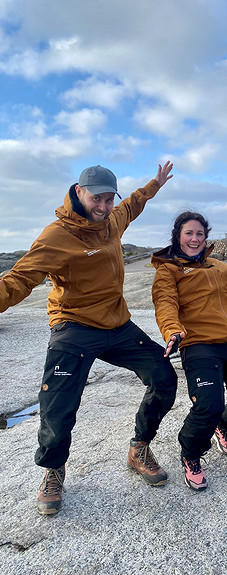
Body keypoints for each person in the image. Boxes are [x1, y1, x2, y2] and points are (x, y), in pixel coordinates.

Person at [0, 162, 178, 515]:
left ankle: (139, 447)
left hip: (116, 323)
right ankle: (54, 470)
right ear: (79, 192)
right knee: (58, 404)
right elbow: (18, 279)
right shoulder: (56, 236)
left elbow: (133, 204)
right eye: (98, 198)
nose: (105, 205)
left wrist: (154, 184)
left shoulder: (112, 219)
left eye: (109, 198)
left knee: (164, 376)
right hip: (75, 325)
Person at [151, 212, 227, 491]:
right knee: (208, 406)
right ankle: (191, 453)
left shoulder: (217, 266)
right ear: (178, 236)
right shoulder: (169, 269)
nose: (195, 239)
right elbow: (165, 303)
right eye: (189, 233)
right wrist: (172, 330)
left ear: (206, 237)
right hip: (198, 344)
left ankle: (223, 425)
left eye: (200, 234)